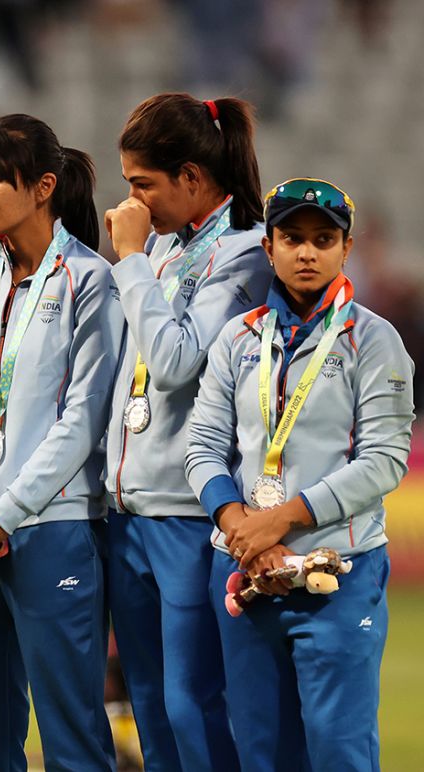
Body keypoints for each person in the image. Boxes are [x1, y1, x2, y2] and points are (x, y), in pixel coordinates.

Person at [186, 178, 412, 771]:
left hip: (337, 571)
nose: (307, 252)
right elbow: (204, 447)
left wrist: (278, 520)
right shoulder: (237, 339)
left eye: (323, 239)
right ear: (269, 247)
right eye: (291, 238)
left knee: (339, 749)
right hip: (244, 569)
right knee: (262, 750)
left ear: (346, 247)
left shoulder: (375, 340)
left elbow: (385, 460)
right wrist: (241, 526)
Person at [0, 114, 123, 770]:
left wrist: (1, 516)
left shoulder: (91, 282)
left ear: (41, 187)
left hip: (52, 527)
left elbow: (82, 420)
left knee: (72, 740)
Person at [103, 92, 272, 772]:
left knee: (192, 702)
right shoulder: (163, 252)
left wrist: (128, 260)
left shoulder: (245, 254)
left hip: (188, 512)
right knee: (145, 701)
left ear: (194, 179)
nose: (132, 202)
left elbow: (174, 364)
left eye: (143, 184)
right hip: (128, 508)